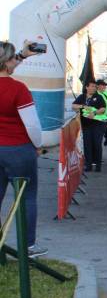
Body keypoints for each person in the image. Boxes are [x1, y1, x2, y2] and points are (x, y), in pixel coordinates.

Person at [0, 40, 46, 257]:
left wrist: (22, 55)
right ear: (8, 62)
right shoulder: (18, 89)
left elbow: (6, 65)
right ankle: (27, 246)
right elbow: (32, 125)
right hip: (18, 149)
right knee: (27, 197)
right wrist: (37, 146)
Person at [72, 80, 107, 172]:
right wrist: (83, 106)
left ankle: (98, 165)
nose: (94, 88)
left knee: (97, 144)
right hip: (86, 125)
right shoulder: (82, 96)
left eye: (95, 87)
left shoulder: (98, 97)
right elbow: (74, 106)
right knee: (87, 145)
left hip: (98, 125)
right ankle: (88, 165)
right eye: (92, 86)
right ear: (86, 87)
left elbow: (103, 109)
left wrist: (94, 113)